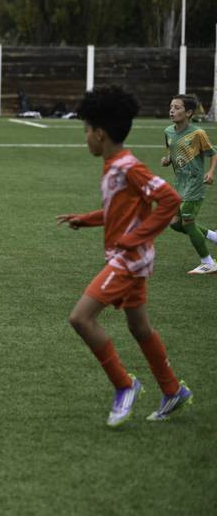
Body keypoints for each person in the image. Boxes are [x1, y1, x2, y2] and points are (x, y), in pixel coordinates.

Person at [57, 85, 192, 428]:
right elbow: (117, 210)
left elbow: (170, 200)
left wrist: (135, 239)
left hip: (128, 259)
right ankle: (172, 390)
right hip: (132, 256)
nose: (85, 138)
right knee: (139, 326)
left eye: (86, 131)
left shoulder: (128, 166)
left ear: (99, 134)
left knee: (81, 319)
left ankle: (125, 384)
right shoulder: (113, 165)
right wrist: (85, 220)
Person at [161, 94, 217, 274]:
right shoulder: (168, 132)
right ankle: (214, 236)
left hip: (195, 184)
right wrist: (167, 160)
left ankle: (208, 263)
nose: (172, 110)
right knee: (175, 223)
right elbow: (172, 151)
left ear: (189, 112)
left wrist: (210, 172)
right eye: (171, 107)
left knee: (187, 222)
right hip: (180, 185)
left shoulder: (198, 133)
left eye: (177, 108)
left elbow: (213, 153)